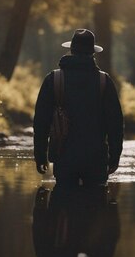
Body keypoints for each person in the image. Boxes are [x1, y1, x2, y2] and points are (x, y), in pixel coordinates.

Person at [33, 28, 124, 187]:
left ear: (71, 51)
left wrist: (40, 156)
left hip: (63, 158)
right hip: (96, 158)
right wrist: (114, 157)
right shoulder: (104, 81)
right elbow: (115, 124)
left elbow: (41, 122)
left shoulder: (54, 79)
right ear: (92, 53)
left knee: (63, 204)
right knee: (95, 206)